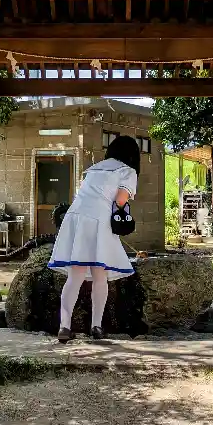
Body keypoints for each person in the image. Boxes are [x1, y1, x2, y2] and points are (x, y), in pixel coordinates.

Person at [47, 135, 140, 342]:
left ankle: (64, 327)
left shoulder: (95, 168)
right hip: (99, 219)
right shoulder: (128, 171)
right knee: (100, 275)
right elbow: (120, 200)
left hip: (75, 217)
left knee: (75, 276)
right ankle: (96, 327)